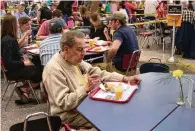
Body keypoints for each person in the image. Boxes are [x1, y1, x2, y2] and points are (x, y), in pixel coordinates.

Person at [42, 30, 141, 129]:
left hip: (86, 104)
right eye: (79, 49)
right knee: (110, 119)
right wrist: (86, 88)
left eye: (84, 49)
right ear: (66, 49)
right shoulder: (54, 70)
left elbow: (99, 73)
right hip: (69, 114)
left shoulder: (74, 61)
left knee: (116, 110)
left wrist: (124, 78)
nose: (83, 53)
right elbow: (63, 103)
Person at [1, 15, 42, 104]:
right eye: (16, 23)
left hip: (14, 67)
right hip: (13, 71)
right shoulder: (9, 40)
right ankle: (26, 89)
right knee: (41, 69)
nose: (18, 25)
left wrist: (23, 60)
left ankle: (25, 89)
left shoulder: (8, 38)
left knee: (36, 62)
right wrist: (23, 63)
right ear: (11, 25)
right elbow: (8, 62)